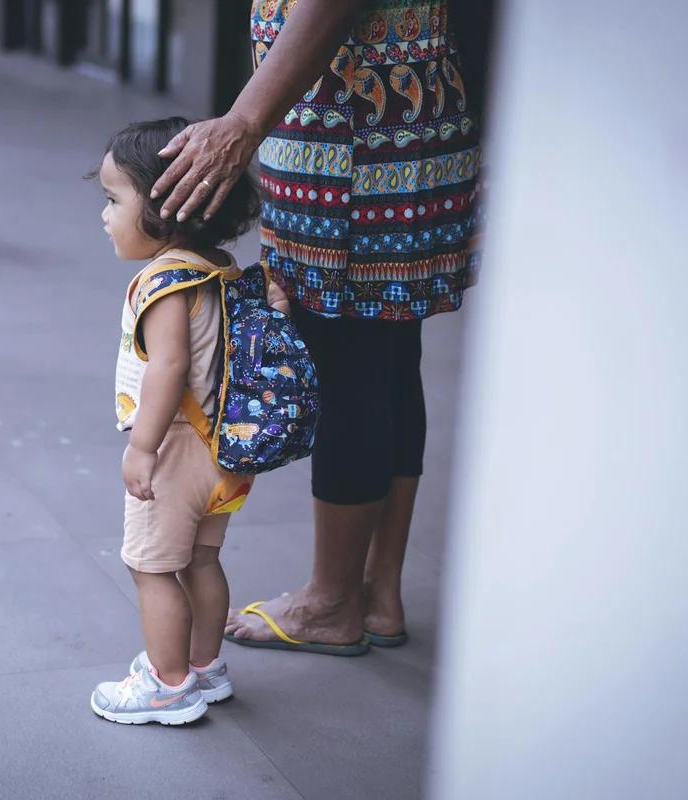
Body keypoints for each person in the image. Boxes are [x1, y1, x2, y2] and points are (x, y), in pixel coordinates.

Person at [151, 1, 482, 654]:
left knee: (347, 363)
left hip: (347, 142)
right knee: (389, 353)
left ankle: (331, 603)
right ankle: (377, 593)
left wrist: (243, 121)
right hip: (410, 122)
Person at [88, 118, 289, 725]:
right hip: (222, 451)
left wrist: (142, 448)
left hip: (176, 450)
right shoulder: (218, 267)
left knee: (150, 567)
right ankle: (205, 666)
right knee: (202, 560)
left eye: (113, 200)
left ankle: (168, 685)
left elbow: (169, 367)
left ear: (165, 207)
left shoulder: (162, 281)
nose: (104, 215)